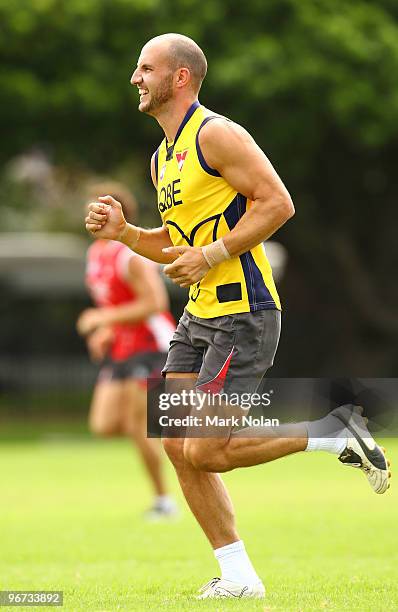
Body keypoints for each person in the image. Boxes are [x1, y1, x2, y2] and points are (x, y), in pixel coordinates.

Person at [85, 35, 391, 599]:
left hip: (244, 313)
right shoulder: (161, 159)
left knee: (205, 448)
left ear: (180, 78)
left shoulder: (216, 134)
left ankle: (331, 431)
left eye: (146, 68)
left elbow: (278, 202)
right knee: (177, 442)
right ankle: (239, 578)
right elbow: (175, 244)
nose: (135, 77)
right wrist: (125, 234)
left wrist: (215, 253)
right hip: (199, 317)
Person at [78, 181, 177, 520]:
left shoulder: (130, 255)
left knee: (139, 425)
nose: (91, 214)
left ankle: (164, 502)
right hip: (122, 348)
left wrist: (102, 318)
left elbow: (155, 302)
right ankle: (175, 433)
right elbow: (115, 304)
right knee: (104, 424)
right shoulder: (95, 255)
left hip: (151, 346)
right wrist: (106, 330)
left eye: (99, 208)